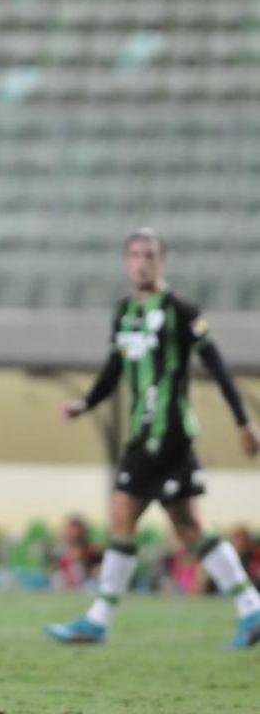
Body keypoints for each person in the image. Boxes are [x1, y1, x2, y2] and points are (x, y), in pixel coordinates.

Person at [45, 228, 260, 649]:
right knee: (188, 526)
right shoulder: (124, 312)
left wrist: (243, 421)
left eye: (150, 255)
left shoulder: (180, 309)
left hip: (169, 432)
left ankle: (98, 620)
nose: (142, 263)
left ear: (162, 262)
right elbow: (114, 367)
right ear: (126, 262)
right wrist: (85, 404)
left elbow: (217, 365)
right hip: (145, 431)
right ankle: (251, 609)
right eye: (135, 255)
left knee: (123, 511)